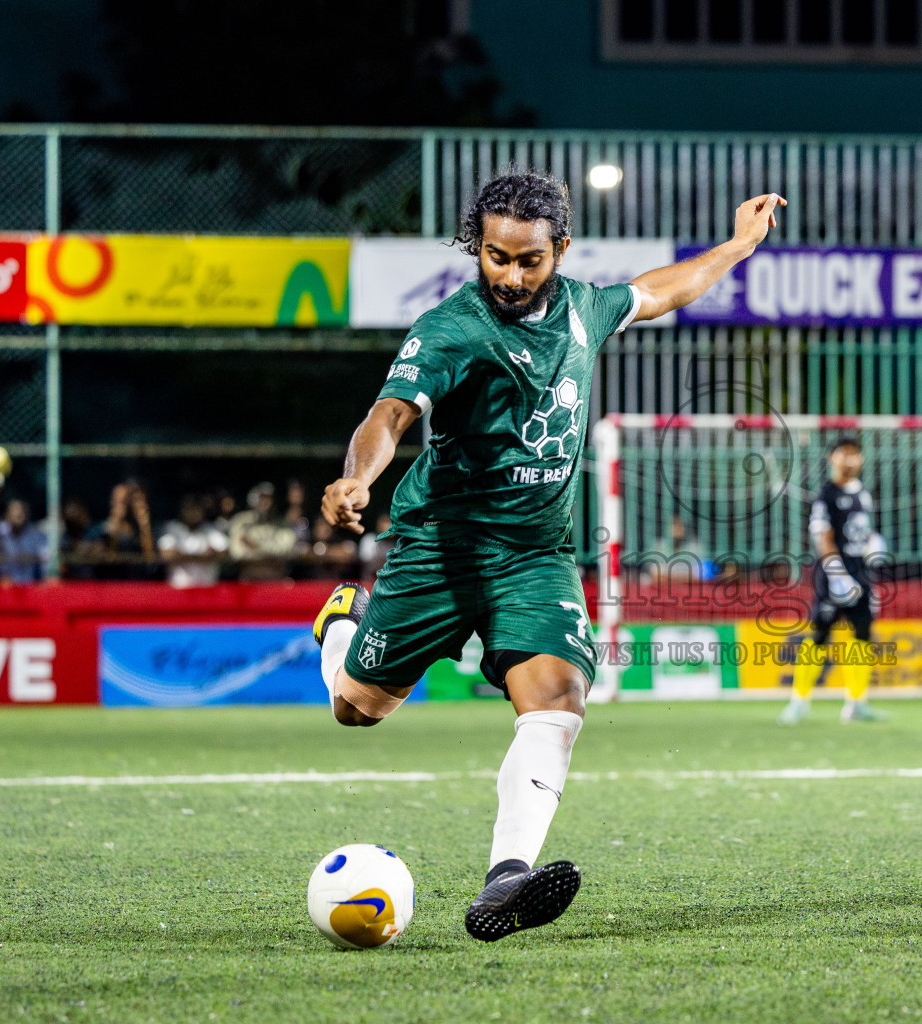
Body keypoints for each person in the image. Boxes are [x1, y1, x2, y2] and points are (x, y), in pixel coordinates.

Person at [310, 170, 786, 943]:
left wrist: (737, 245)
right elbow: (390, 412)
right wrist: (357, 477)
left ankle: (505, 881)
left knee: (558, 701)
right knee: (355, 709)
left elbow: (663, 290)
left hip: (535, 555)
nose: (510, 275)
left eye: (529, 259)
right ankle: (341, 624)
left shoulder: (585, 310)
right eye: (496, 257)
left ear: (559, 249)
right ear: (479, 248)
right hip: (441, 550)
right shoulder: (450, 329)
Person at [778, 438, 886, 724]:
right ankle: (798, 701)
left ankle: (856, 702)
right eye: (844, 455)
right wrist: (837, 575)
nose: (850, 460)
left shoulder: (864, 494)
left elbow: (864, 532)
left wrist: (875, 543)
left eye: (855, 455)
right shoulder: (826, 495)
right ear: (832, 459)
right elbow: (822, 537)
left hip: (860, 572)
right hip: (833, 573)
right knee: (820, 633)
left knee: (862, 632)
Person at [228, 482, 297, 581]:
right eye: (261, 497)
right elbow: (237, 553)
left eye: (268, 498)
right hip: (249, 582)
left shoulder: (281, 525)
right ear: (252, 499)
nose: (264, 502)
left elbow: (287, 550)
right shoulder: (241, 521)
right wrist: (269, 557)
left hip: (274, 581)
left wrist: (255, 546)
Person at [159, 494, 229, 588]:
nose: (193, 514)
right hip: (179, 588)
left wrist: (182, 555)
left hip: (207, 589)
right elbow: (167, 554)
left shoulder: (211, 529)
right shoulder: (172, 528)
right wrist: (204, 557)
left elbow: (225, 552)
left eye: (197, 510)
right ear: (183, 511)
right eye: (190, 509)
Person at [0, 498, 47, 584]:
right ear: (7, 515)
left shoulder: (37, 535)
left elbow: (46, 558)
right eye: (15, 511)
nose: (19, 514)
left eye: (22, 511)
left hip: (32, 585)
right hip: (7, 586)